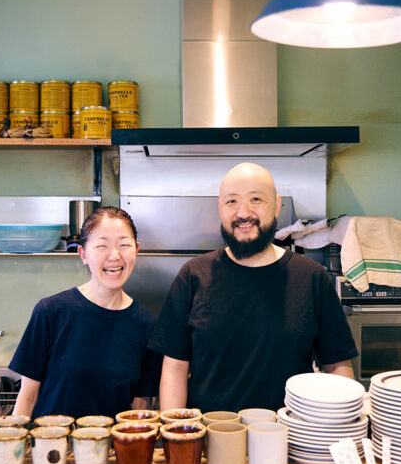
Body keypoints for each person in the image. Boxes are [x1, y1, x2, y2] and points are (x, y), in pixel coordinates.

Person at [148, 162, 358, 413]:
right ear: (220, 207)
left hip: (291, 440)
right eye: (232, 201)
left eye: (256, 199)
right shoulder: (193, 276)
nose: (243, 212)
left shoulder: (312, 278)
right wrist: (177, 441)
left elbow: (337, 367)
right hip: (209, 440)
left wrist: (342, 431)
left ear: (277, 204)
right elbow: (174, 368)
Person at [9, 207, 162, 419]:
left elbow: (139, 407)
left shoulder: (147, 325)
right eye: (102, 245)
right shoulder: (51, 312)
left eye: (124, 245)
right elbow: (27, 397)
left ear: (136, 250)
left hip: (112, 451)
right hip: (53, 449)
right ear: (83, 254)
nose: (114, 256)